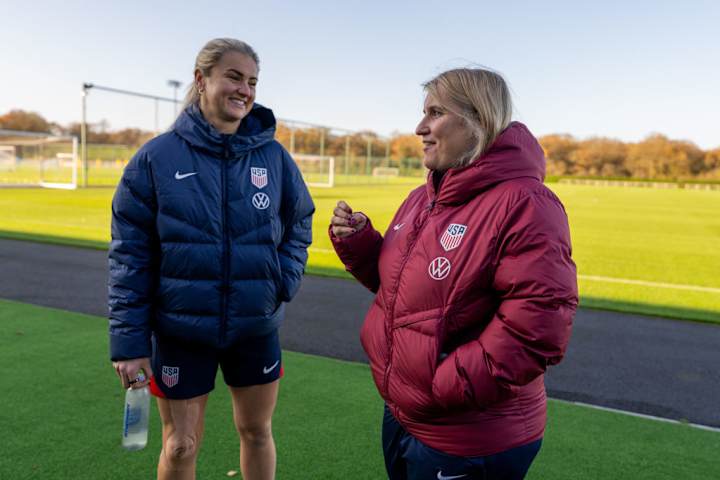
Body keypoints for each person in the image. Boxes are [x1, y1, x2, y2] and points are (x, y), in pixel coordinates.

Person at [330, 68, 578, 480]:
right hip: (406, 414)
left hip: (471, 436)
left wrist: (444, 384)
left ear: (477, 118)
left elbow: (539, 326)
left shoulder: (526, 203)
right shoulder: (422, 197)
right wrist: (359, 241)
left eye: (435, 112)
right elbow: (407, 291)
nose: (419, 127)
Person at [109, 38, 314, 480]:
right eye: (234, 77)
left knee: (257, 432)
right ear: (202, 80)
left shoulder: (273, 157)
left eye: (253, 81)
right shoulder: (155, 158)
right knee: (180, 446)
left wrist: (284, 280)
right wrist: (129, 344)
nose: (245, 89)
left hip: (254, 326)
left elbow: (300, 222)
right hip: (182, 329)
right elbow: (130, 257)